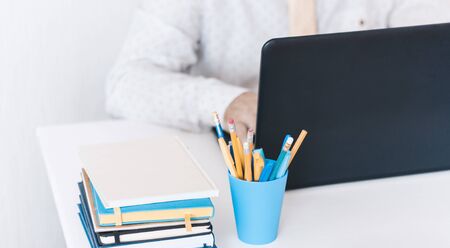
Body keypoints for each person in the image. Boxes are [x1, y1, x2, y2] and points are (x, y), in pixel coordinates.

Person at [106, 0, 450, 140]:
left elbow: (436, 46)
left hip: (366, 145)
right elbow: (127, 83)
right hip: (248, 169)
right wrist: (228, 102)